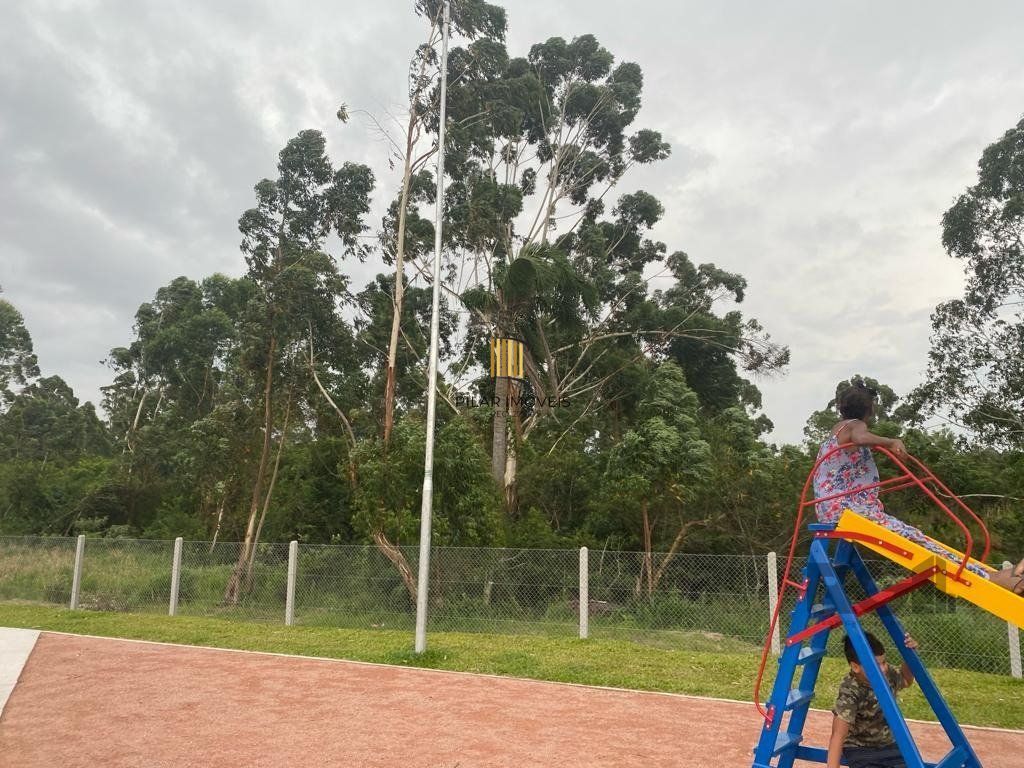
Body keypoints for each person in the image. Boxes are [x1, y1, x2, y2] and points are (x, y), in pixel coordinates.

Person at [812, 381, 1024, 594]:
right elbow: (860, 437)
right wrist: (891, 441)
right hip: (850, 509)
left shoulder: (837, 429)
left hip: (831, 508)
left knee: (913, 536)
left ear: (842, 407)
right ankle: (987, 578)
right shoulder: (856, 426)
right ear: (870, 410)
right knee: (914, 538)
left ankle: (983, 572)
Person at [827, 632, 917, 768]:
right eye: (876, 665)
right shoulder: (851, 689)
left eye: (884, 662)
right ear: (855, 667)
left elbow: (906, 680)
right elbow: (838, 735)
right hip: (860, 748)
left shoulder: (888, 673)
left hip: (889, 744)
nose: (883, 669)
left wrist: (909, 655)